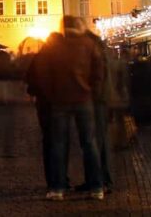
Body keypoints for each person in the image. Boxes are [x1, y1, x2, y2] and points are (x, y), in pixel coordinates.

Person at [43, 16, 105, 201]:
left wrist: (51, 94)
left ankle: (58, 188)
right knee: (89, 143)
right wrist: (93, 91)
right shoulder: (88, 44)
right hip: (84, 98)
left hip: (60, 99)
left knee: (59, 144)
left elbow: (46, 73)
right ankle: (96, 187)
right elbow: (99, 71)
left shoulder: (54, 47)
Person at [26, 32, 62, 192]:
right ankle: (62, 178)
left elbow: (29, 80)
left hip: (44, 104)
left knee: (48, 142)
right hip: (61, 104)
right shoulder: (63, 58)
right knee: (62, 142)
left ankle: (53, 181)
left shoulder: (39, 57)